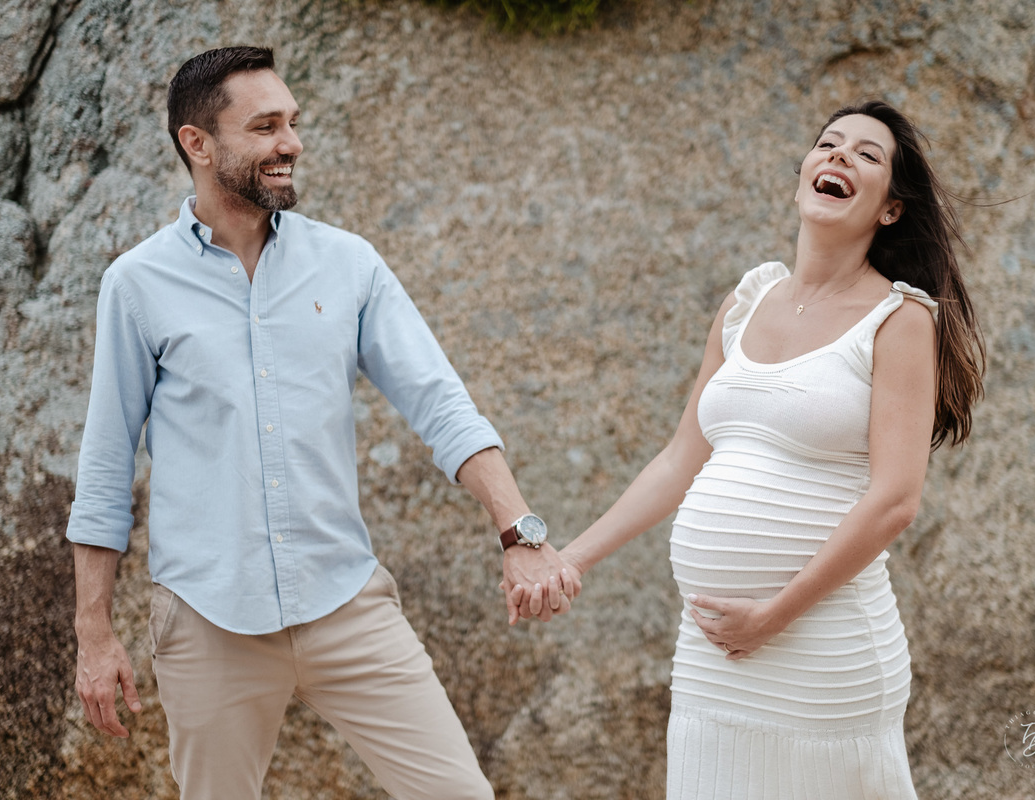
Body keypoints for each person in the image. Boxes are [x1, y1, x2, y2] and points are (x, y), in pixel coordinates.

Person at [66, 46, 575, 800]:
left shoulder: (349, 264)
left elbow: (440, 404)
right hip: (210, 620)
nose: (291, 144)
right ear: (197, 144)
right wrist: (95, 633)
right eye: (266, 126)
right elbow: (106, 467)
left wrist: (519, 532)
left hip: (347, 608)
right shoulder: (138, 284)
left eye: (294, 123)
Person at [519, 100, 985, 797]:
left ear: (891, 208)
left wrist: (773, 616)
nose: (838, 157)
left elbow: (895, 500)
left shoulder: (900, 318)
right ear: (802, 173)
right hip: (713, 656)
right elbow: (681, 459)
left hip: (823, 650)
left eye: (866, 154)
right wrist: (570, 558)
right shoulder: (749, 299)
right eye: (828, 144)